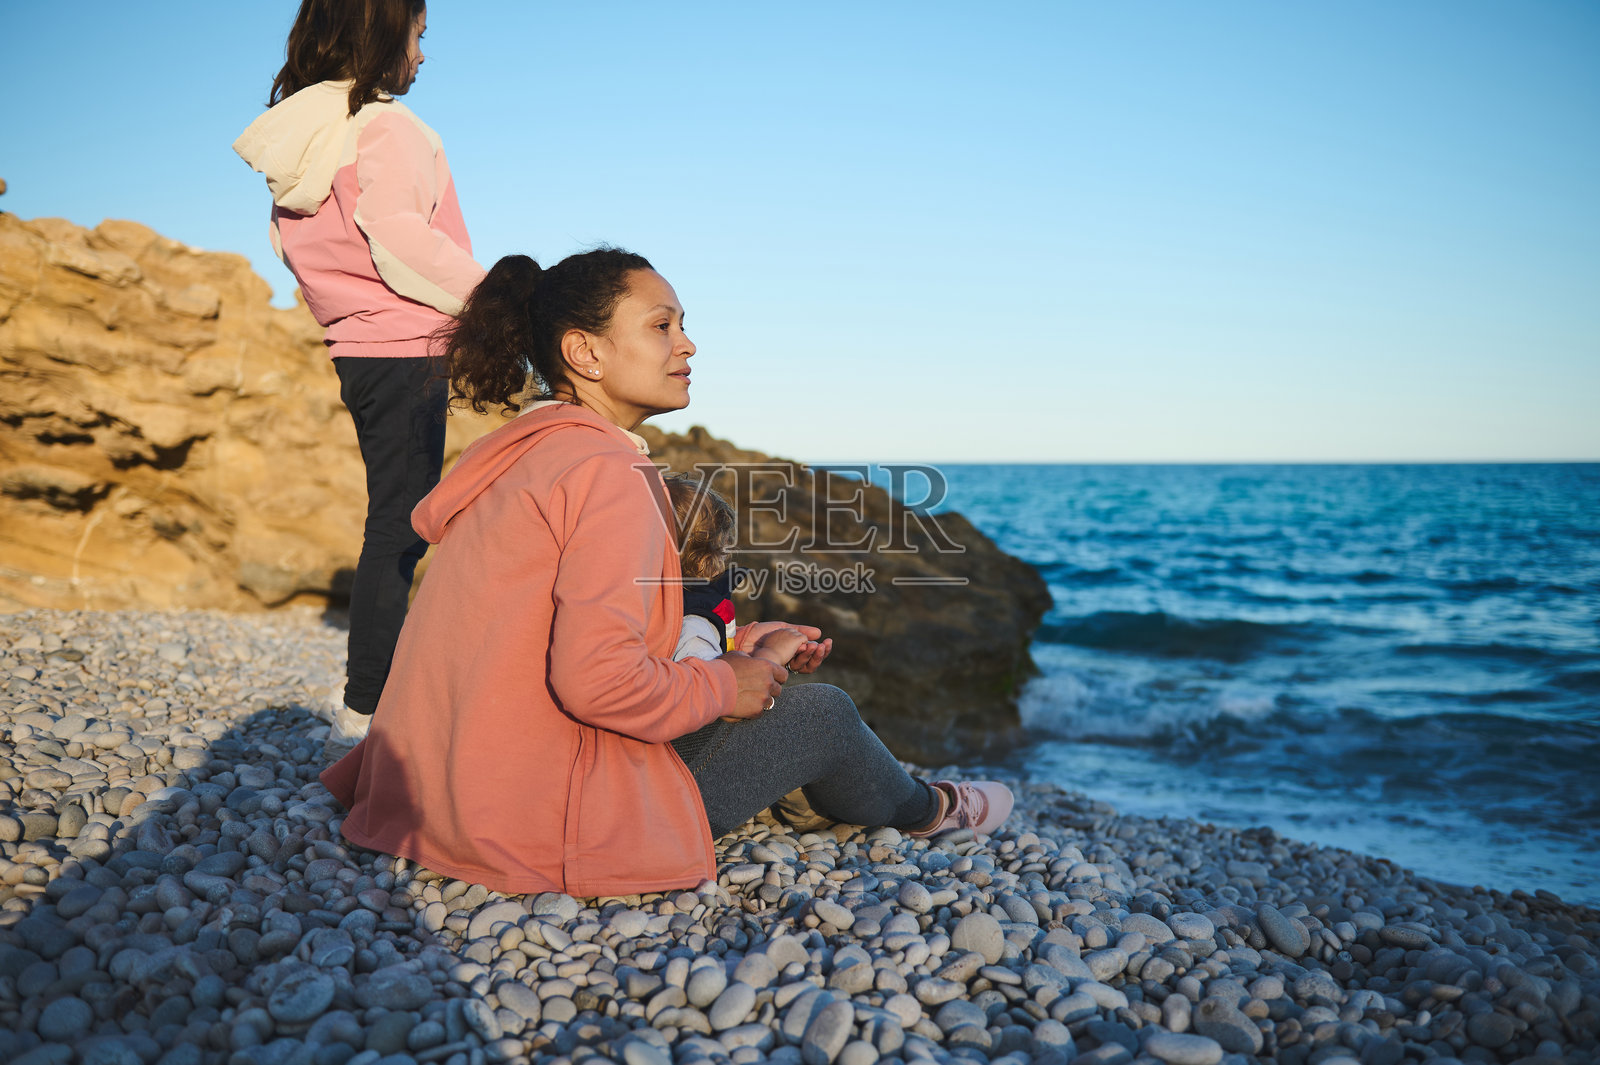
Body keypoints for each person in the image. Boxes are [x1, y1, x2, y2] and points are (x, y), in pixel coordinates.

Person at [320, 250, 1013, 896]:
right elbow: (596, 681)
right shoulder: (609, 474)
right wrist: (724, 683)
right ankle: (930, 809)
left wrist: (741, 652)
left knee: (764, 699)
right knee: (822, 715)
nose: (686, 345)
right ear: (584, 352)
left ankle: (824, 789)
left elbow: (569, 638)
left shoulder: (528, 454)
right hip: (527, 820)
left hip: (429, 793)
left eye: (682, 326)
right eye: (661, 325)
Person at [233, 0, 484, 761]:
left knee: (394, 517)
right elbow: (401, 236)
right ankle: (369, 709)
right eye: (418, 35)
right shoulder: (393, 130)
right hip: (408, 348)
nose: (422, 53)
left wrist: (342, 314)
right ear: (382, 36)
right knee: (400, 526)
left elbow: (289, 247)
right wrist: (494, 300)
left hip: (356, 350)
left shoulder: (304, 139)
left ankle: (382, 693)